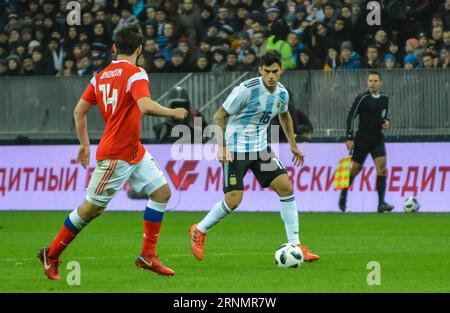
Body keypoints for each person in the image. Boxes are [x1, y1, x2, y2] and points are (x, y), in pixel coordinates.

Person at [36, 25, 188, 280]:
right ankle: (50, 254)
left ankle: (147, 255)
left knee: (162, 192)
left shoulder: (100, 76)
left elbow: (78, 111)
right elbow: (146, 106)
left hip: (132, 150)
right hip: (116, 153)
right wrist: (174, 112)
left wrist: (84, 144)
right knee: (90, 210)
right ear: (139, 49)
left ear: (115, 47)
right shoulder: (136, 73)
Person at [189, 51, 319, 262]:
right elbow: (219, 115)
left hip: (260, 149)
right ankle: (199, 230)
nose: (271, 76)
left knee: (286, 187)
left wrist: (293, 145)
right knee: (233, 200)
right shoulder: (246, 90)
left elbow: (285, 116)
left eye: (275, 72)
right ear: (260, 70)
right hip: (235, 149)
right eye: (266, 71)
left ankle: (295, 245)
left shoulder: (282, 94)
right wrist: (221, 147)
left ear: (281, 70)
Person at [338, 71, 394, 213]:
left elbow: (384, 117)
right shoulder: (362, 98)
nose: (372, 83)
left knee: (381, 167)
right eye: (370, 81)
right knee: (355, 169)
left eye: (375, 81)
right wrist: (349, 137)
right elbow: (351, 117)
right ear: (367, 82)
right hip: (362, 139)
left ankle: (381, 203)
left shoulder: (385, 99)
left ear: (380, 83)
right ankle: (344, 192)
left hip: (377, 139)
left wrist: (387, 122)